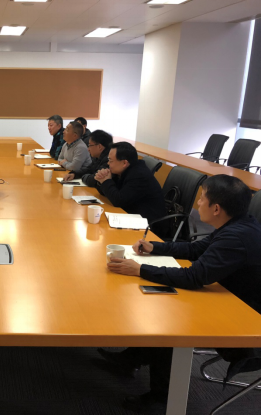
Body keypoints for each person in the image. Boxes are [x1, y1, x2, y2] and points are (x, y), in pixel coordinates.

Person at [103, 175, 261, 412]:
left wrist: (140, 270)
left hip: (247, 319)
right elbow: (196, 249)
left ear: (216, 209)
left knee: (170, 319)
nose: (198, 203)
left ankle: (162, 398)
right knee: (164, 304)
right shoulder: (237, 224)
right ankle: (131, 360)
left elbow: (193, 277)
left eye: (202, 198)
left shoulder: (235, 238)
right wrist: (155, 247)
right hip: (231, 298)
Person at [95, 142, 167, 235]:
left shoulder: (139, 175)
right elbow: (110, 193)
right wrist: (102, 180)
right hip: (132, 216)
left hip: (149, 226)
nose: (108, 163)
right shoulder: (124, 170)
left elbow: (118, 200)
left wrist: (106, 181)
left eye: (111, 160)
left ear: (124, 163)